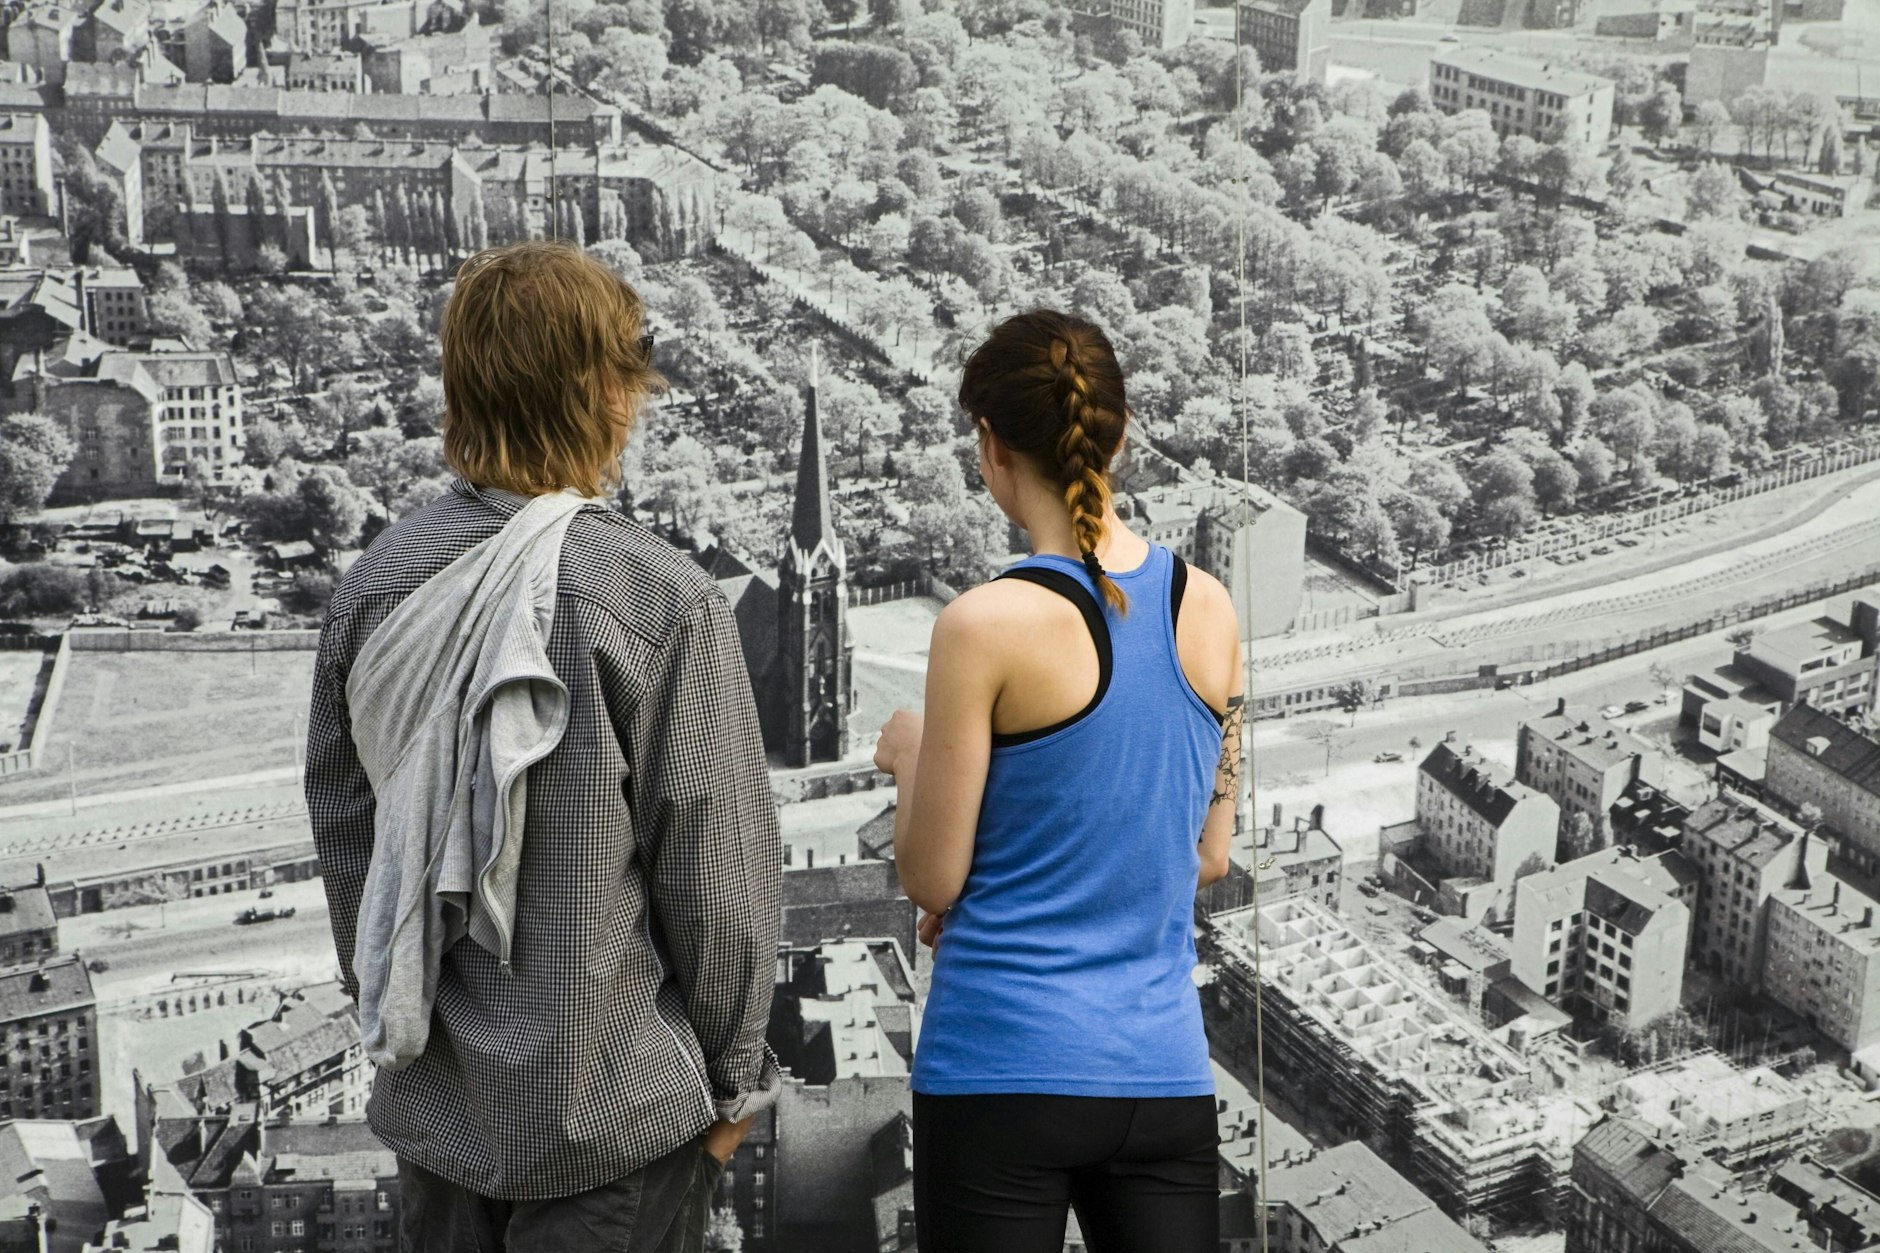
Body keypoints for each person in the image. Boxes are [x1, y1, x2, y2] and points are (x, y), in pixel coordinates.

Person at [304, 240, 782, 1253]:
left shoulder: (369, 594)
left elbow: (354, 857)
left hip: (438, 1125)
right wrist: (735, 1086)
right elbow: (718, 883)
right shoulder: (657, 599)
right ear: (608, 395)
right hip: (611, 1128)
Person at [873, 309, 1243, 1253]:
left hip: (1003, 1068)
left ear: (990, 447)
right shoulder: (1208, 609)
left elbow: (932, 880)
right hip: (1162, 1076)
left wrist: (912, 754)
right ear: (1116, 434)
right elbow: (1207, 854)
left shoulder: (984, 624)